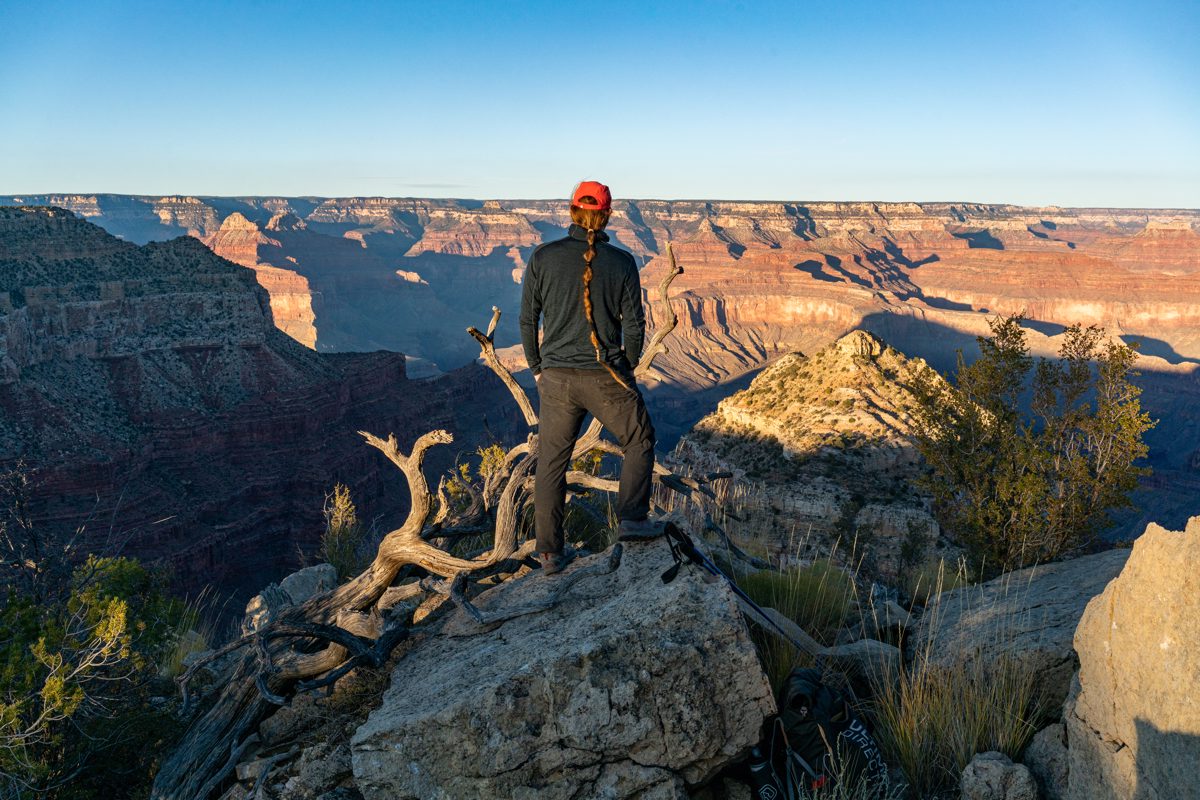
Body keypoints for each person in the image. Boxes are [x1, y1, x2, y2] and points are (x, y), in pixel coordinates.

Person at [519, 180, 659, 574]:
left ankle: (549, 553)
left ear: (571, 211)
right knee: (639, 439)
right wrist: (625, 368)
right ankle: (632, 520)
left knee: (550, 464)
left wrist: (537, 368)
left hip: (557, 378)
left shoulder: (543, 257)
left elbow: (528, 319)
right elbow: (635, 324)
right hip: (604, 376)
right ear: (607, 214)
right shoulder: (621, 262)